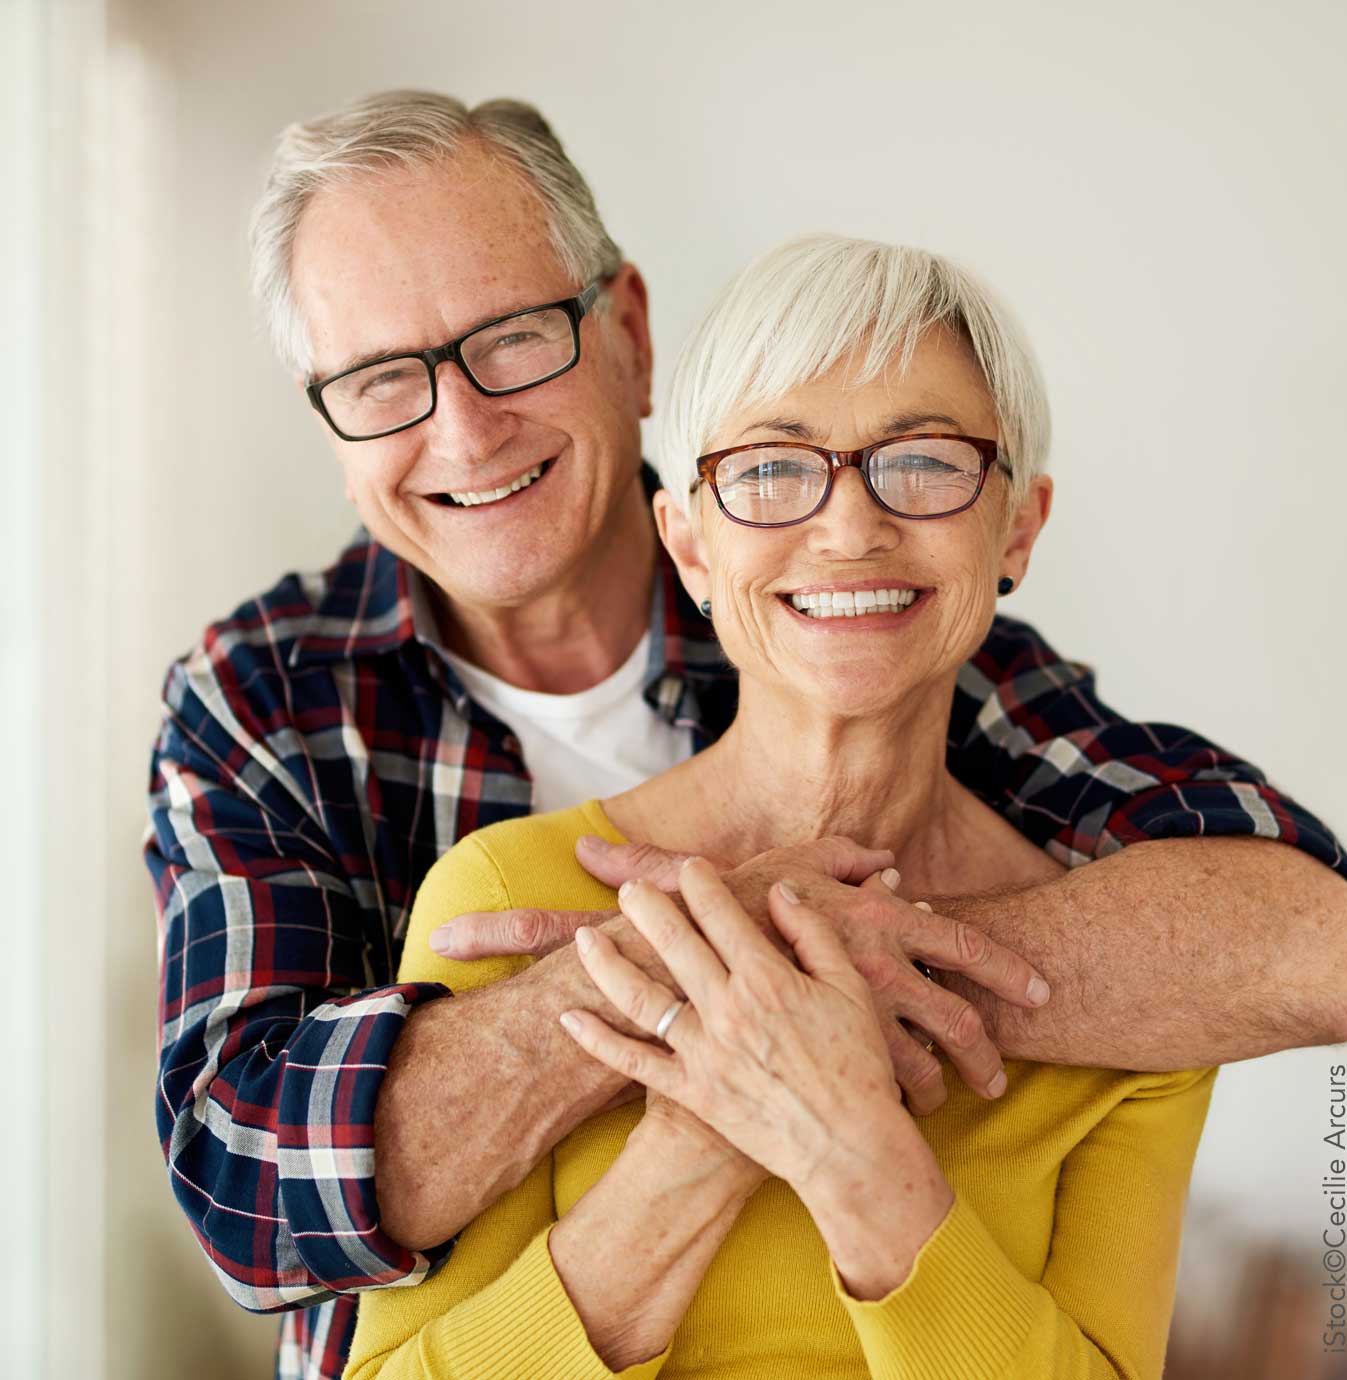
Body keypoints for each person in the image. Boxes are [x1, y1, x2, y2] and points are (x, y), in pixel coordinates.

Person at [145, 91, 1347, 1380]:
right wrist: (719, 995)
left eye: (510, 341)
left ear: (626, 332)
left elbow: (1312, 945)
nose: (464, 429)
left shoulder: (896, 641)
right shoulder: (269, 702)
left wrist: (806, 988)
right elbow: (249, 1193)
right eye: (382, 380)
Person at [344, 233, 1230, 1377]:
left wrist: (852, 1149)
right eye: (770, 469)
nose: (850, 527)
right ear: (691, 545)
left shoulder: (1132, 997)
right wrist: (707, 1133)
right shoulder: (513, 899)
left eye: (922, 461)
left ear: (1017, 528)